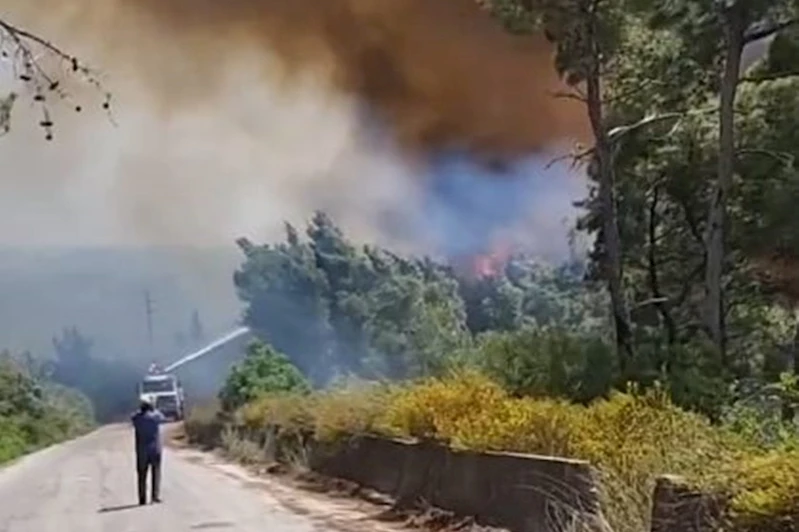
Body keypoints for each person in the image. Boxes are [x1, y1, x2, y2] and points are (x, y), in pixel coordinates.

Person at [131, 398, 166, 505]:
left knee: (142, 475)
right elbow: (162, 417)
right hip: (155, 449)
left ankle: (142, 499)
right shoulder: (155, 417)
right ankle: (155, 496)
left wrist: (140, 411)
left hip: (141, 451)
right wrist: (153, 408)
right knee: (156, 473)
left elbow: (133, 416)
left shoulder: (137, 418)